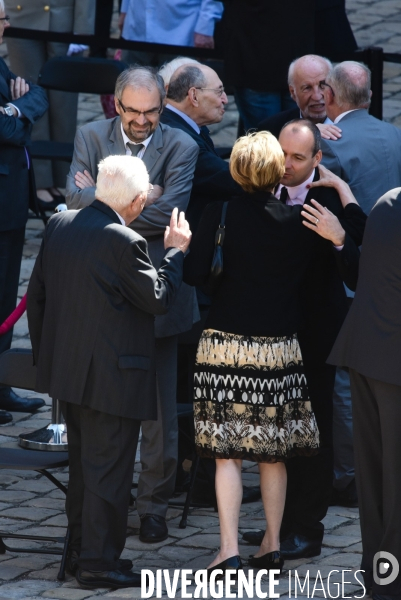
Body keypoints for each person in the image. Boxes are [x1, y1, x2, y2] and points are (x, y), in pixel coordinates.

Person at [183, 130, 359, 576]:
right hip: (280, 347)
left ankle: (230, 549)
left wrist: (181, 249)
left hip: (238, 345)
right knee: (274, 452)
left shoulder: (220, 211)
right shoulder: (296, 221)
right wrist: (347, 197)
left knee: (229, 452)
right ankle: (273, 545)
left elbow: (196, 275)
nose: (289, 164)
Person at [27, 154, 192, 590]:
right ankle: (99, 564)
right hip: (113, 380)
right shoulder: (125, 241)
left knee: (84, 471)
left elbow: (36, 298)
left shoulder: (60, 225)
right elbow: (157, 298)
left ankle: (82, 552)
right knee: (109, 475)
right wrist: (174, 252)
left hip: (69, 377)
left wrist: (49, 361)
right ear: (138, 201)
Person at [66, 66, 199, 544]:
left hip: (155, 287)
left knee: (159, 410)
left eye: (152, 112)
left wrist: (102, 198)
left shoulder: (181, 146)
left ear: (163, 107)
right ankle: (106, 500)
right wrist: (143, 198)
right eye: (133, 112)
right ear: (116, 105)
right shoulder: (90, 134)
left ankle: (154, 505)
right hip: (100, 292)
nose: (142, 122)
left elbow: (172, 211)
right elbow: (70, 198)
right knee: (104, 401)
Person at [242, 120, 366, 558]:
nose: (287, 166)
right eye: (283, 155)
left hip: (314, 335)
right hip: (270, 333)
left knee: (311, 433)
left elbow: (357, 266)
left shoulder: (326, 198)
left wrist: (338, 237)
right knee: (275, 432)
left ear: (317, 160)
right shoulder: (258, 188)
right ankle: (276, 528)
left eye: (298, 158)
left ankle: (306, 530)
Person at [321, 60, 401, 506]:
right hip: (395, 271)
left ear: (330, 96)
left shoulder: (330, 148)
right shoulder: (394, 134)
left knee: (350, 384)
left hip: (355, 268)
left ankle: (349, 474)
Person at [328, 187, 401, 600]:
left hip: (366, 352)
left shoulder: (388, 200)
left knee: (375, 477)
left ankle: (379, 574)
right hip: (392, 362)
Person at [0, 1, 48, 422]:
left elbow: (38, 95)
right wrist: (15, 120)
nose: (4, 26)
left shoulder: (2, 66)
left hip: (11, 203)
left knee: (3, 295)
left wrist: (16, 108)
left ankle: (0, 384)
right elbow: (7, 134)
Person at [5, 0, 95, 210]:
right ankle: (40, 181)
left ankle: (65, 178)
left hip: (62, 16)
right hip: (21, 13)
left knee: (64, 102)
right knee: (27, 94)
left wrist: (83, 28)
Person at [160, 63, 241, 231]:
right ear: (194, 96)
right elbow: (231, 179)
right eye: (219, 91)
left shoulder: (177, 124)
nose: (225, 99)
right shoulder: (180, 139)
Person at [321, 61, 401, 214]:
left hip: (358, 234)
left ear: (329, 95)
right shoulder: (396, 134)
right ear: (369, 95)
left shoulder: (329, 143)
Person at [258, 55, 342, 141]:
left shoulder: (352, 126)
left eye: (323, 85)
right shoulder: (271, 132)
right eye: (307, 88)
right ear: (293, 92)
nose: (317, 97)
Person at [119, 0, 223, 67]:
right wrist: (125, 9)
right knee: (132, 93)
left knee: (179, 95)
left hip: (181, 30)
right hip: (137, 27)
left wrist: (205, 27)